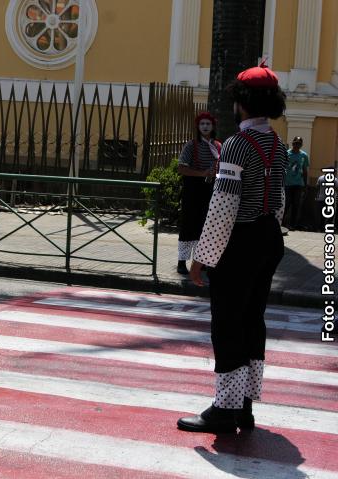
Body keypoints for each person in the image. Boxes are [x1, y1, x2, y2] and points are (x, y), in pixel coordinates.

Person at [178, 61, 287, 433]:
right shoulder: (277, 144)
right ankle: (244, 406)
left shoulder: (237, 145)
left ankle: (224, 410)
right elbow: (279, 198)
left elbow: (224, 205)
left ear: (241, 102)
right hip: (269, 236)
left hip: (240, 242)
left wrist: (202, 257)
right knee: (252, 320)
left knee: (227, 323)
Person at [176, 112, 221, 274]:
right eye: (202, 124)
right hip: (192, 190)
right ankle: (182, 262)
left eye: (208, 124)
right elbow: (181, 168)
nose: (205, 126)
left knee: (206, 226)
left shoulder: (218, 146)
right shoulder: (191, 145)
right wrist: (202, 174)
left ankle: (201, 261)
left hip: (210, 189)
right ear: (198, 127)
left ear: (213, 126)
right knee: (188, 225)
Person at [284, 136, 310, 230]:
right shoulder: (287, 154)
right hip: (287, 184)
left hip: (298, 184)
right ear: (292, 143)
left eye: (299, 144)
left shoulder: (304, 155)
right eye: (295, 143)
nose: (297, 145)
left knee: (296, 204)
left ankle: (292, 224)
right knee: (286, 203)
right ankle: (282, 223)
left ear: (301, 145)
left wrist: (305, 185)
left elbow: (305, 171)